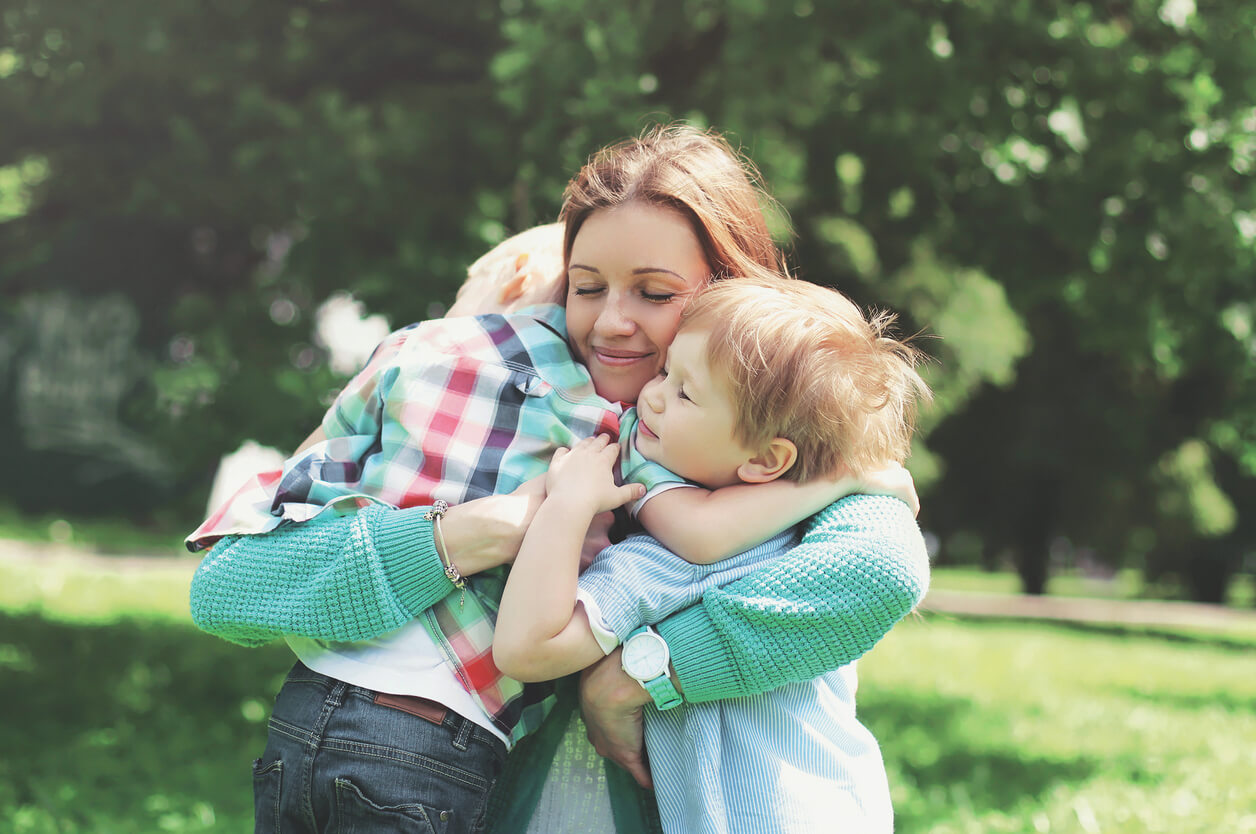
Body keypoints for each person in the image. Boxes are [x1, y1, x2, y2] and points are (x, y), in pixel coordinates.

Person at [187, 125, 929, 833]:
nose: (611, 323)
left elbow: (879, 570)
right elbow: (227, 585)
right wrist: (474, 532)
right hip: (458, 785)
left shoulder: (796, 431)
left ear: (730, 298)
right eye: (584, 287)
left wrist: (638, 677)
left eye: (657, 294)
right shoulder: (510, 400)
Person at [493, 276, 930, 833]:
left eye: (684, 392)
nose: (649, 395)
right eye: (665, 371)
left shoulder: (671, 564)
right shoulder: (818, 540)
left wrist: (568, 505)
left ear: (767, 459)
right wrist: (842, 480)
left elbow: (526, 649)